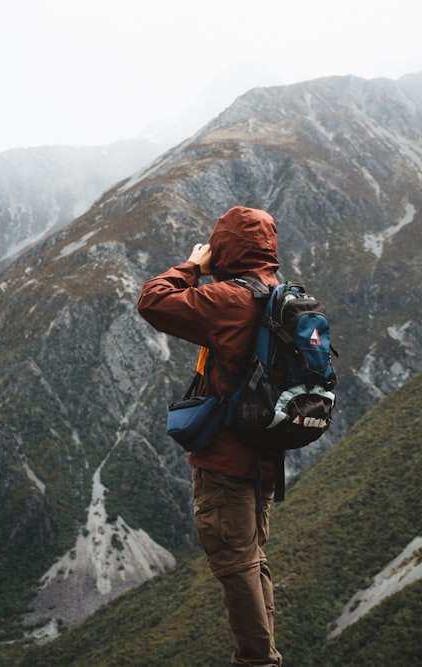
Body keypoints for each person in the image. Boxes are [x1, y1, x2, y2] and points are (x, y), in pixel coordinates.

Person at [137, 206, 283, 667]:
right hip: (266, 455)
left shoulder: (230, 299)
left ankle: (258, 661)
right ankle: (264, 656)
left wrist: (193, 267)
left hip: (226, 459)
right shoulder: (280, 294)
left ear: (225, 247)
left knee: (235, 565)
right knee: (251, 560)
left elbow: (153, 300)